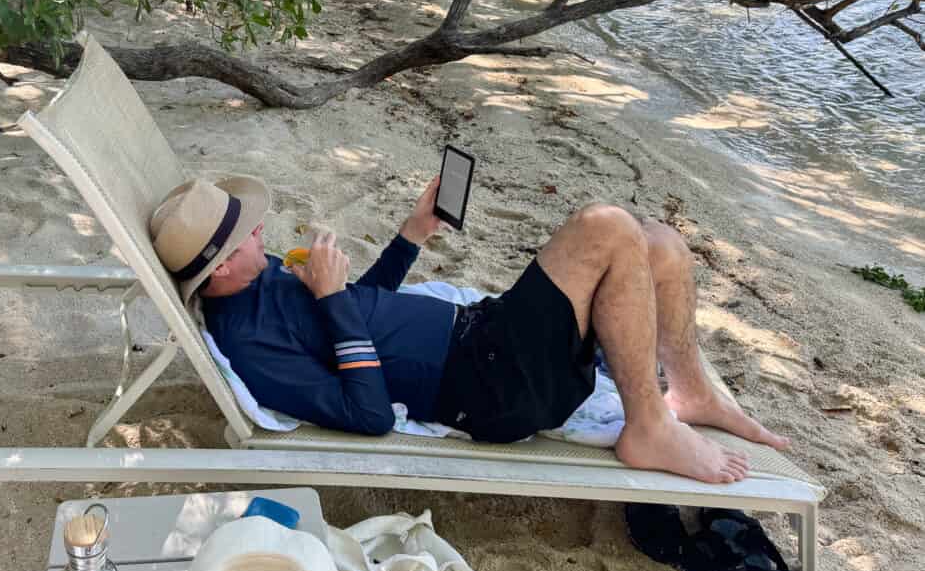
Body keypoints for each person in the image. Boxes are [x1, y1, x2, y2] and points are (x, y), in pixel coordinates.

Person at [148, 174, 790, 485]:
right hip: (490, 384)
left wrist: (412, 232)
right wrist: (333, 298)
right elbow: (366, 413)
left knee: (663, 245)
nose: (260, 229)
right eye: (246, 232)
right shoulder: (248, 345)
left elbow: (368, 307)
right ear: (224, 265)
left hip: (487, 335)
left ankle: (688, 389)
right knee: (606, 226)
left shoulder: (264, 280)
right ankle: (648, 428)